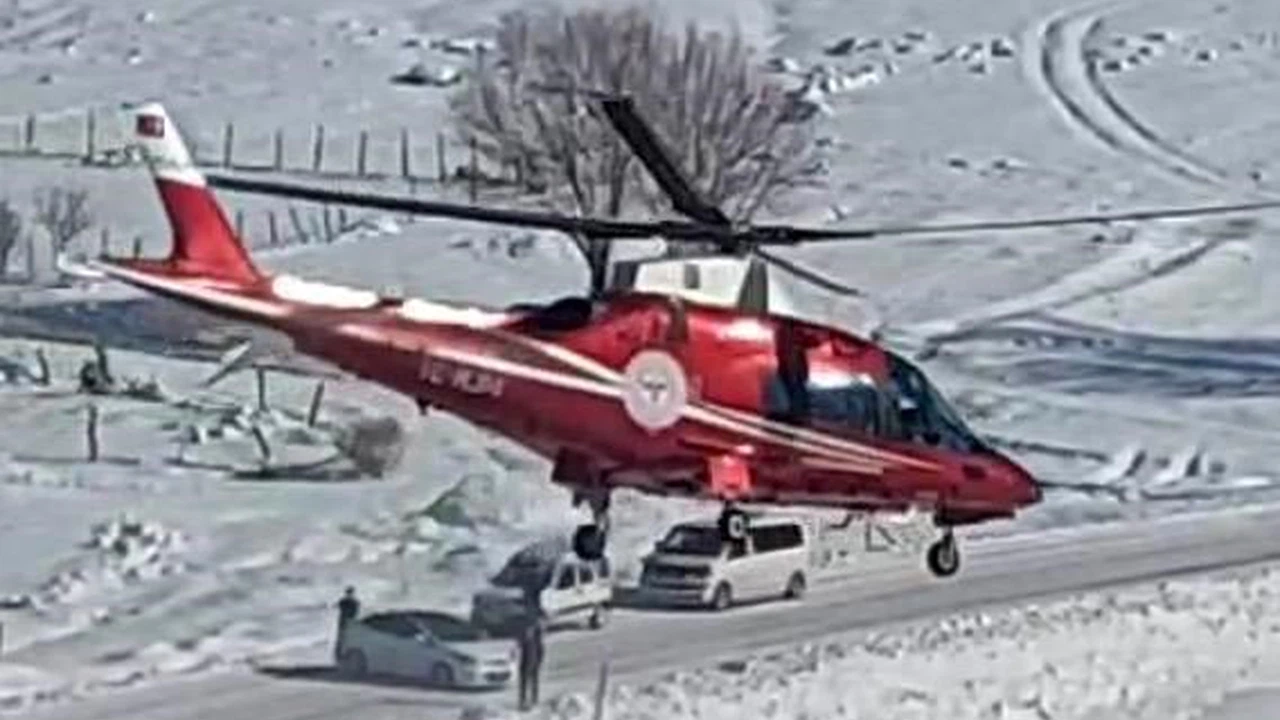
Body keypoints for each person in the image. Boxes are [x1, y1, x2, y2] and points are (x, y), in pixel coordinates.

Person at [516, 612, 545, 711]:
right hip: (527, 662)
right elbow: (519, 647)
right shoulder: (527, 638)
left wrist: (539, 661)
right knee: (526, 682)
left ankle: (531, 700)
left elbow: (540, 651)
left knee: (531, 681)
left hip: (532, 662)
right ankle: (526, 700)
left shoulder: (536, 639)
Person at [334, 586, 360, 659]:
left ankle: (340, 654)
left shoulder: (343, 601)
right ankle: (344, 654)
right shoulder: (355, 602)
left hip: (343, 621)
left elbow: (339, 608)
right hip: (350, 621)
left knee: (342, 637)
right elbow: (356, 613)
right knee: (347, 637)